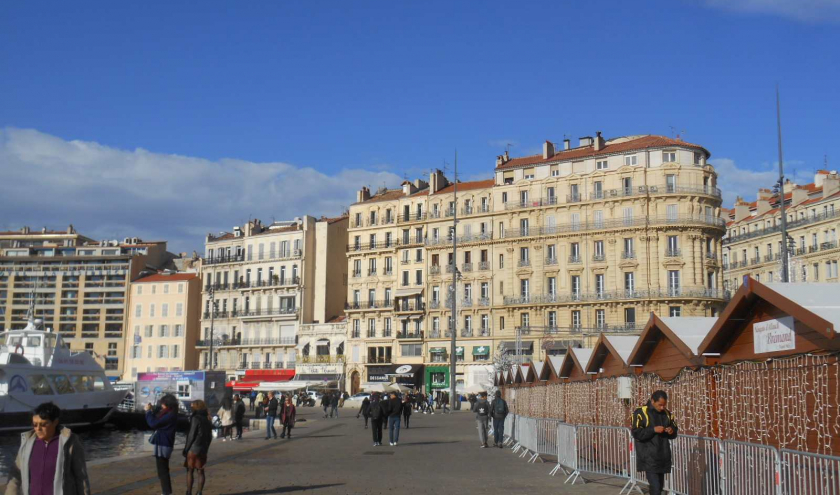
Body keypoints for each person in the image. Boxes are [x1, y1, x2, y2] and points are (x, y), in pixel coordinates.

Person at [5, 402, 91, 495]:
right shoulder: (27, 443)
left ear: (55, 422)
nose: (38, 429)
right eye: (35, 424)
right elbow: (16, 474)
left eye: (43, 424)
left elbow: (81, 477)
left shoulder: (70, 442)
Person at [632, 390, 679, 495]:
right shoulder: (640, 412)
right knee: (656, 488)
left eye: (664, 405)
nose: (662, 407)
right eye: (660, 405)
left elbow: (674, 431)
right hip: (648, 456)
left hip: (663, 456)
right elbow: (636, 433)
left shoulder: (667, 413)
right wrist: (653, 430)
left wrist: (671, 431)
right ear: (653, 401)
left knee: (659, 488)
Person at [145, 394, 179, 495]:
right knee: (162, 470)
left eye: (163, 403)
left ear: (167, 404)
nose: (162, 405)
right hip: (163, 443)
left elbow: (153, 423)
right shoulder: (170, 413)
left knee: (163, 470)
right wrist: (152, 410)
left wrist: (148, 412)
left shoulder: (170, 415)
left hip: (164, 444)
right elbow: (157, 419)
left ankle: (166, 492)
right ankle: (166, 491)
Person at [182, 400, 212, 495]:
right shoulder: (207, 418)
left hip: (193, 448)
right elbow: (210, 436)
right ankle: (199, 492)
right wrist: (206, 448)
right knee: (200, 471)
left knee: (190, 470)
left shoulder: (195, 418)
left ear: (196, 407)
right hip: (203, 448)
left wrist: (186, 449)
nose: (191, 407)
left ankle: (189, 492)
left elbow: (191, 435)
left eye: (192, 406)